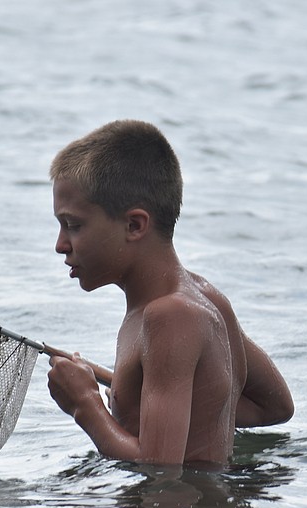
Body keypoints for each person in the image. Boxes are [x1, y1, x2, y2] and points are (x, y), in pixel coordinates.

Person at [46, 120, 293, 466]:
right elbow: (274, 407)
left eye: (74, 226)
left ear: (134, 225)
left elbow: (160, 469)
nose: (60, 245)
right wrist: (148, 398)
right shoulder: (205, 296)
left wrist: (85, 405)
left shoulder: (171, 316)